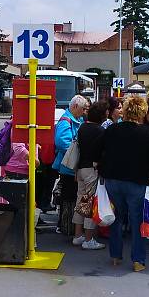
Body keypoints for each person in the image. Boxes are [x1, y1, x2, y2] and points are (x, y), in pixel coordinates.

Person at [93, 95, 149, 272]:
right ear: (142, 112)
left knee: (116, 218)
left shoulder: (112, 130)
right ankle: (138, 260)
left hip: (112, 181)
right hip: (137, 183)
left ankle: (116, 256)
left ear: (125, 110)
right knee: (137, 220)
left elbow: (96, 150)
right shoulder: (148, 134)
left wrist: (101, 166)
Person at [72, 101, 108, 250]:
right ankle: (88, 239)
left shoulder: (82, 127)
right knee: (90, 204)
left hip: (80, 169)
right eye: (105, 112)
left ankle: (77, 235)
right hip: (92, 171)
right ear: (100, 115)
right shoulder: (100, 131)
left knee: (80, 202)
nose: (107, 114)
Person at [53, 95, 88, 235]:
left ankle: (67, 225)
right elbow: (62, 142)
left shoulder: (75, 120)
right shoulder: (66, 121)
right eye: (83, 108)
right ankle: (65, 225)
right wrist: (78, 153)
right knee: (68, 197)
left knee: (70, 197)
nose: (84, 111)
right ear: (74, 107)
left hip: (71, 167)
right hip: (68, 167)